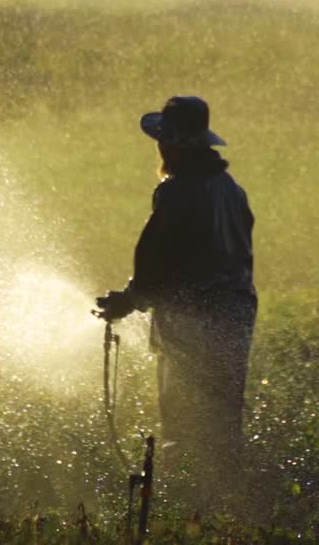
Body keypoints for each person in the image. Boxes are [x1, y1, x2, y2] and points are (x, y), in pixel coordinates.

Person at [95, 95, 257, 501]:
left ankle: (184, 508)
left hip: (189, 324)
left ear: (172, 144)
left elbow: (156, 263)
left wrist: (126, 301)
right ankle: (228, 505)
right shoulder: (231, 190)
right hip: (234, 321)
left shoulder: (176, 192)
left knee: (183, 423)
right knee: (222, 421)